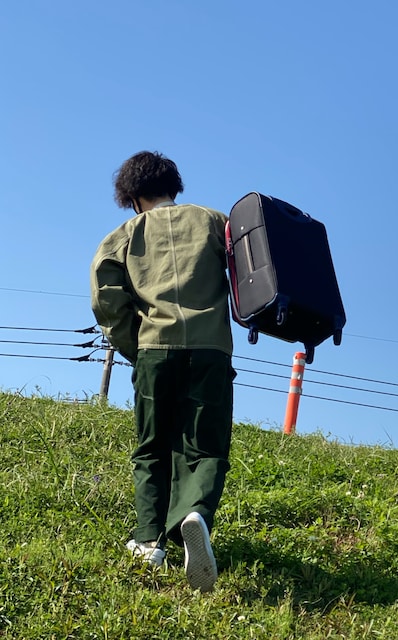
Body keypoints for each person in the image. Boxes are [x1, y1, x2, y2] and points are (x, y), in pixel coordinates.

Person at [90, 151, 235, 592]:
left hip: (154, 348)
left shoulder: (123, 235)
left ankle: (148, 541)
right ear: (174, 185)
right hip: (211, 349)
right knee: (205, 446)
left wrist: (133, 345)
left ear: (132, 196)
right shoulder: (215, 221)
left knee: (152, 446)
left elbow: (105, 299)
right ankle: (194, 514)